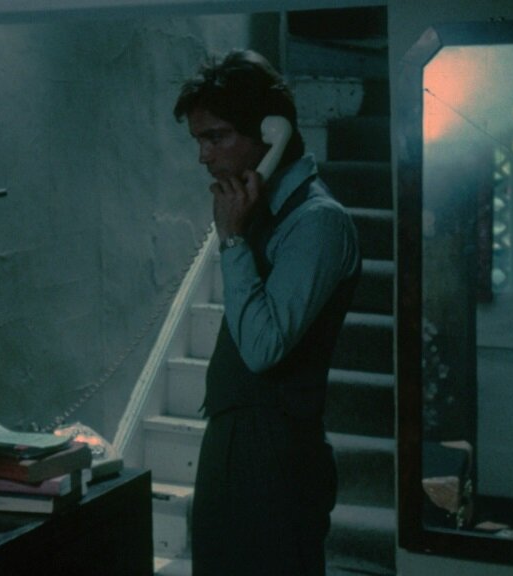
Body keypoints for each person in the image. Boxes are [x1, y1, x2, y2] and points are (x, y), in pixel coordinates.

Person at [173, 49, 361, 575]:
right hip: (234, 443)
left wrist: (233, 240)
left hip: (276, 455)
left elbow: (262, 348)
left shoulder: (317, 222)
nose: (204, 156)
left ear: (271, 131)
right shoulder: (262, 209)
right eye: (199, 140)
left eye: (216, 137)